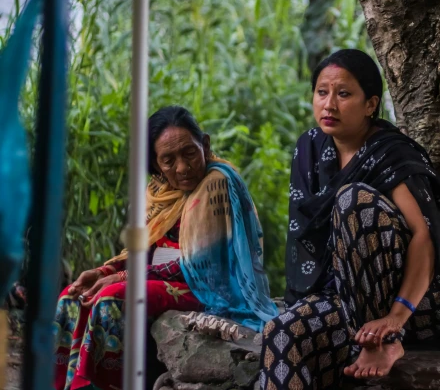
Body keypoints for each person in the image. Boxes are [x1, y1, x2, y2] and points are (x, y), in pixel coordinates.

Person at [259, 50, 440, 390]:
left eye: (343, 94)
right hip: (341, 299)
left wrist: (396, 318)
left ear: (371, 104)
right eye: (322, 92)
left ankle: (382, 344)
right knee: (280, 334)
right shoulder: (310, 150)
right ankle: (363, 338)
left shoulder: (390, 154)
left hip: (408, 304)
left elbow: (424, 236)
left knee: (352, 200)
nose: (329, 104)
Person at [53, 106, 279, 390]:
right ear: (155, 163)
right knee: (72, 296)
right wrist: (104, 270)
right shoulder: (159, 192)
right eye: (168, 160)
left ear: (205, 145)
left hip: (201, 285)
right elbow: (143, 250)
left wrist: (125, 278)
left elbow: (200, 264)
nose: (182, 168)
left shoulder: (216, 183)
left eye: (189, 153)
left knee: (111, 298)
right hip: (157, 273)